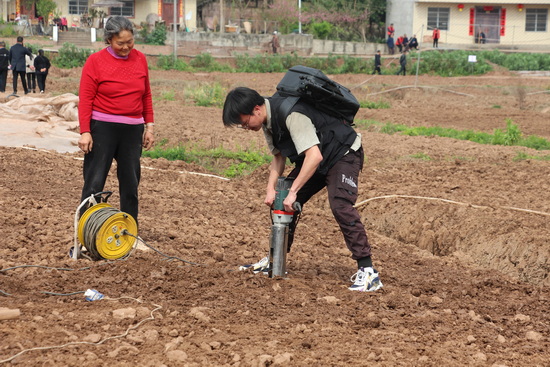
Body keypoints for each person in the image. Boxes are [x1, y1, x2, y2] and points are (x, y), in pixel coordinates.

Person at [222, 87, 384, 292]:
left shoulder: (291, 114)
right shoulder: (267, 121)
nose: (245, 128)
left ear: (256, 109)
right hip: (317, 158)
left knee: (340, 205)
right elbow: (278, 157)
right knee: (282, 201)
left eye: (245, 123)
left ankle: (368, 271)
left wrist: (294, 192)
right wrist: (271, 189)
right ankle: (275, 260)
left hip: (342, 153)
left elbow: (314, 156)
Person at [78, 16, 155, 225]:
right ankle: (87, 230)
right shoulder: (95, 61)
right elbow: (86, 98)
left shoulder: (140, 59)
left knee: (131, 184)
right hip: (102, 128)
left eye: (130, 41)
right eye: (120, 43)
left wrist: (149, 127)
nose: (126, 47)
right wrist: (85, 131)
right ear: (109, 40)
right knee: (94, 181)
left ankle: (130, 230)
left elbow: (146, 95)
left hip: (132, 130)